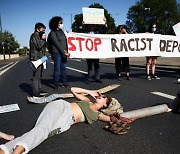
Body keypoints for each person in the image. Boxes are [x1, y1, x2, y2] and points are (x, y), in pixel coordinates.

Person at [0, 87, 133, 154]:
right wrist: (90, 91)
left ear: (105, 105)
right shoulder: (86, 101)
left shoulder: (97, 115)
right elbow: (73, 90)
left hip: (66, 123)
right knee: (41, 130)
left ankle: (5, 149)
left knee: (41, 134)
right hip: (61, 107)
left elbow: (112, 118)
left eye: (103, 96)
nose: (99, 95)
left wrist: (125, 118)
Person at [47, 16, 70, 90]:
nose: (61, 24)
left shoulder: (62, 32)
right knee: (57, 68)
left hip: (64, 53)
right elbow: (56, 43)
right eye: (60, 23)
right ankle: (56, 84)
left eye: (62, 23)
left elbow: (66, 42)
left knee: (63, 68)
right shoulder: (52, 33)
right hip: (56, 52)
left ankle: (64, 82)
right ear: (56, 23)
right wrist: (64, 52)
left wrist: (68, 34)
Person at [29, 22, 47, 97]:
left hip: (40, 58)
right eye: (42, 29)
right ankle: (35, 92)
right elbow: (38, 46)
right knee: (36, 76)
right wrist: (43, 40)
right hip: (36, 58)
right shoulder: (34, 36)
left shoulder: (39, 36)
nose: (44, 30)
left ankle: (39, 89)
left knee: (39, 75)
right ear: (37, 29)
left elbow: (43, 46)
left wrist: (44, 40)